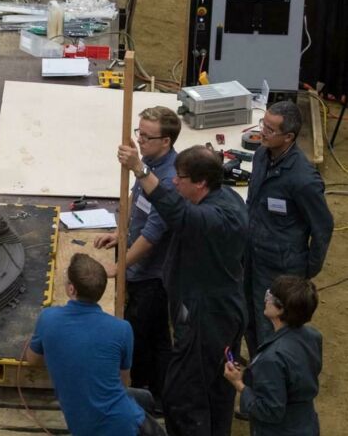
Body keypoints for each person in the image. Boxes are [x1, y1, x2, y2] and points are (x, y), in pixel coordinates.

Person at [117, 143, 246, 436]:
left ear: (200, 183)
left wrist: (140, 169)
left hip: (207, 317)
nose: (174, 182)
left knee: (184, 394)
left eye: (181, 178)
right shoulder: (223, 197)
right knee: (216, 384)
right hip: (218, 309)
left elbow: (176, 211)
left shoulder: (213, 218)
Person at [94, 106, 179, 406]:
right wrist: (121, 233)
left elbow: (152, 237)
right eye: (138, 133)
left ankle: (148, 397)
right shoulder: (151, 163)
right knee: (154, 337)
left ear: (166, 141)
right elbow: (135, 200)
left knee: (142, 336)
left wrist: (119, 266)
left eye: (147, 136)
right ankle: (159, 392)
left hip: (152, 276)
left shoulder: (169, 180)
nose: (139, 141)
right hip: (138, 265)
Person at [27, 253, 165, 436]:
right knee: (145, 401)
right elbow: (123, 382)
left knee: (144, 400)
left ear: (71, 289)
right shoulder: (122, 329)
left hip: (89, 427)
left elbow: (33, 359)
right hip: (126, 422)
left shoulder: (48, 318)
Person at [245, 101, 333, 354]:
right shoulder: (262, 155)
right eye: (264, 124)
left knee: (270, 329)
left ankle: (270, 381)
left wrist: (306, 269)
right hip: (252, 256)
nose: (263, 132)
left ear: (289, 137)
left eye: (271, 130)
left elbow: (323, 226)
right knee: (249, 318)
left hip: (281, 269)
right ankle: (257, 369)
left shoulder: (303, 180)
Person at [224, 275, 322, 435]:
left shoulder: (272, 358)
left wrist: (239, 384)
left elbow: (270, 411)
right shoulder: (312, 336)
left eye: (270, 296)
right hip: (306, 424)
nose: (266, 299)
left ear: (281, 309)